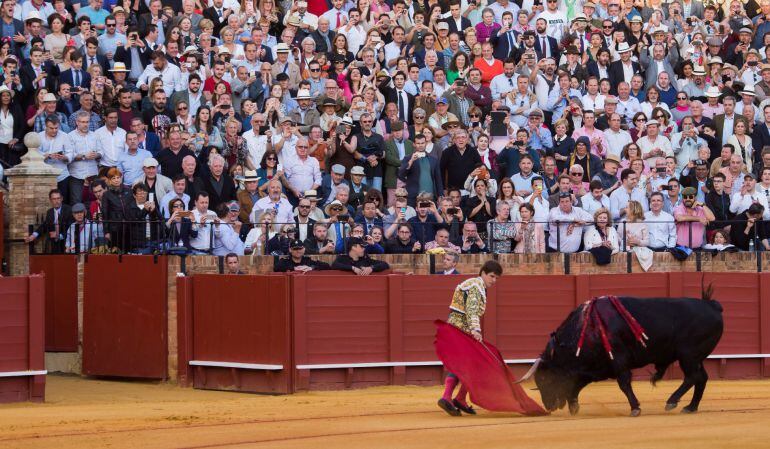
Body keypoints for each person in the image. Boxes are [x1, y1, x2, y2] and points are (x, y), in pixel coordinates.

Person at [437, 259, 503, 416]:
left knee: (470, 365)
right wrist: (476, 330)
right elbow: (472, 310)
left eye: (496, 278)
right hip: (461, 329)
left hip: (458, 328)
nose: (494, 281)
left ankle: (457, 398)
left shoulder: (476, 285)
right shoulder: (476, 285)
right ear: (483, 273)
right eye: (492, 276)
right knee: (468, 365)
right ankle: (450, 397)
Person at [24, 189, 73, 254]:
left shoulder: (69, 210)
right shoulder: (49, 212)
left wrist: (59, 236)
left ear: (62, 199)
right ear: (50, 200)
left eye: (58, 198)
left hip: (66, 244)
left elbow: (72, 227)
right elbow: (45, 225)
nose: (56, 201)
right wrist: (34, 235)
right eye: (54, 199)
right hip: (54, 245)